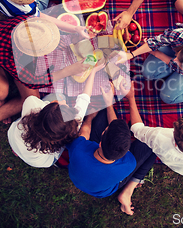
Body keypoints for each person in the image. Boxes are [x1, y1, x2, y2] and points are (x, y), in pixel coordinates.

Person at [0, 15, 90, 154]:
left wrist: (75, 28)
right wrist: (68, 71)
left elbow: (40, 15)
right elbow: (32, 80)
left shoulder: (30, 26)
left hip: (14, 60)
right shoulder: (17, 59)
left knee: (31, 101)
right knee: (0, 92)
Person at [66, 82, 156, 215]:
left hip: (81, 177)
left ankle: (127, 191)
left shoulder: (78, 149)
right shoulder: (129, 163)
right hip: (104, 188)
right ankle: (131, 185)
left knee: (99, 114)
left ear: (100, 142)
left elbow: (85, 130)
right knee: (153, 144)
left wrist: (91, 117)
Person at [8, 59, 104, 167]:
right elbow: (85, 97)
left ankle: (16, 149)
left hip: (14, 138)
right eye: (63, 104)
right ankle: (19, 151)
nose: (63, 101)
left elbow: (83, 98)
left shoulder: (32, 104)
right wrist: (94, 71)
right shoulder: (73, 125)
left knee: (21, 124)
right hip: (39, 161)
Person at [119, 21, 183, 104]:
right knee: (147, 73)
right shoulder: (180, 36)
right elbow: (156, 41)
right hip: (181, 46)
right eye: (177, 57)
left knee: (167, 97)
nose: (174, 60)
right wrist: (131, 55)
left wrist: (156, 53)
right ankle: (176, 65)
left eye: (179, 64)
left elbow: (172, 62)